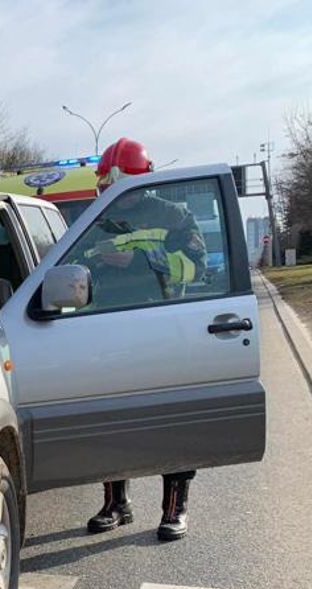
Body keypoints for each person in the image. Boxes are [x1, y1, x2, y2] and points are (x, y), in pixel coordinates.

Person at [82, 137, 206, 541]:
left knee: (170, 422)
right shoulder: (99, 214)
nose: (112, 193)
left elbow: (194, 267)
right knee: (110, 423)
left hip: (162, 327)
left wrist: (139, 260)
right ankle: (116, 503)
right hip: (109, 329)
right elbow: (78, 262)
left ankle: (175, 509)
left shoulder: (174, 215)